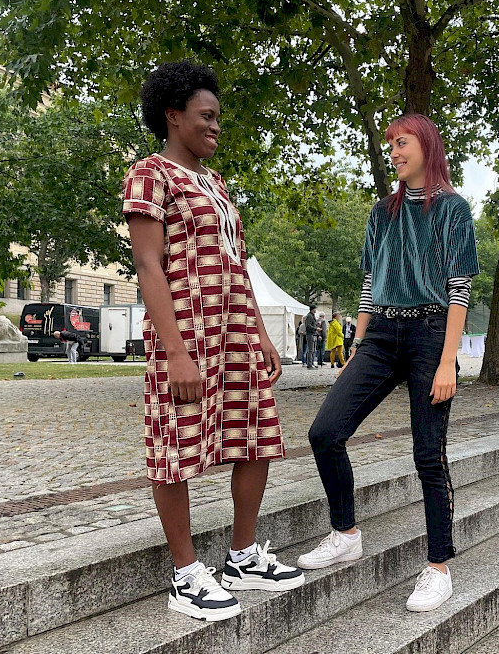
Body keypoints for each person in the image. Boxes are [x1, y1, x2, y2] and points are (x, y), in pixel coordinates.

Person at [123, 61, 303, 623]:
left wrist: (260, 331)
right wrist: (175, 350)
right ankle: (184, 574)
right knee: (174, 447)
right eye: (206, 116)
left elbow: (237, 265)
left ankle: (242, 556)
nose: (215, 127)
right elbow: (150, 267)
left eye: (218, 118)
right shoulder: (150, 175)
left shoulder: (218, 186)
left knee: (255, 437)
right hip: (187, 333)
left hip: (235, 334)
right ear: (173, 117)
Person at [298, 113, 480, 613]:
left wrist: (448, 361)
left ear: (426, 146)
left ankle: (439, 567)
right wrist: (357, 342)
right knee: (325, 432)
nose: (395, 152)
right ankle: (345, 533)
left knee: (428, 453)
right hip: (379, 336)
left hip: (430, 334)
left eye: (402, 143)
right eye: (391, 146)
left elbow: (460, 289)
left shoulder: (452, 210)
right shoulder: (382, 211)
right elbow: (368, 283)